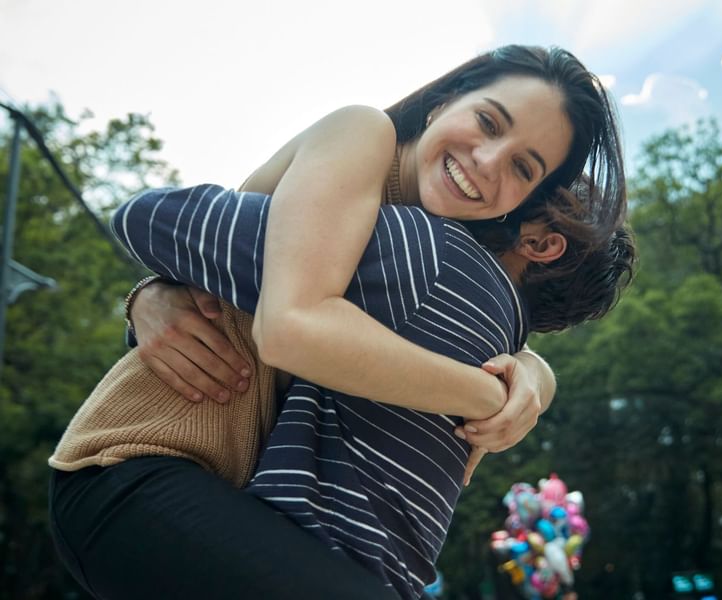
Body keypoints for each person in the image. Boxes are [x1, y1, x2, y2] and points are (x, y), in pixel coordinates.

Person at [49, 44, 629, 599]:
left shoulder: (430, 245)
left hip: (226, 492)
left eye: (522, 168)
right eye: (488, 121)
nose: (486, 161)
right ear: (441, 101)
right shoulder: (362, 134)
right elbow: (283, 323)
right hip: (138, 459)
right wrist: (486, 395)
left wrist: (531, 368)